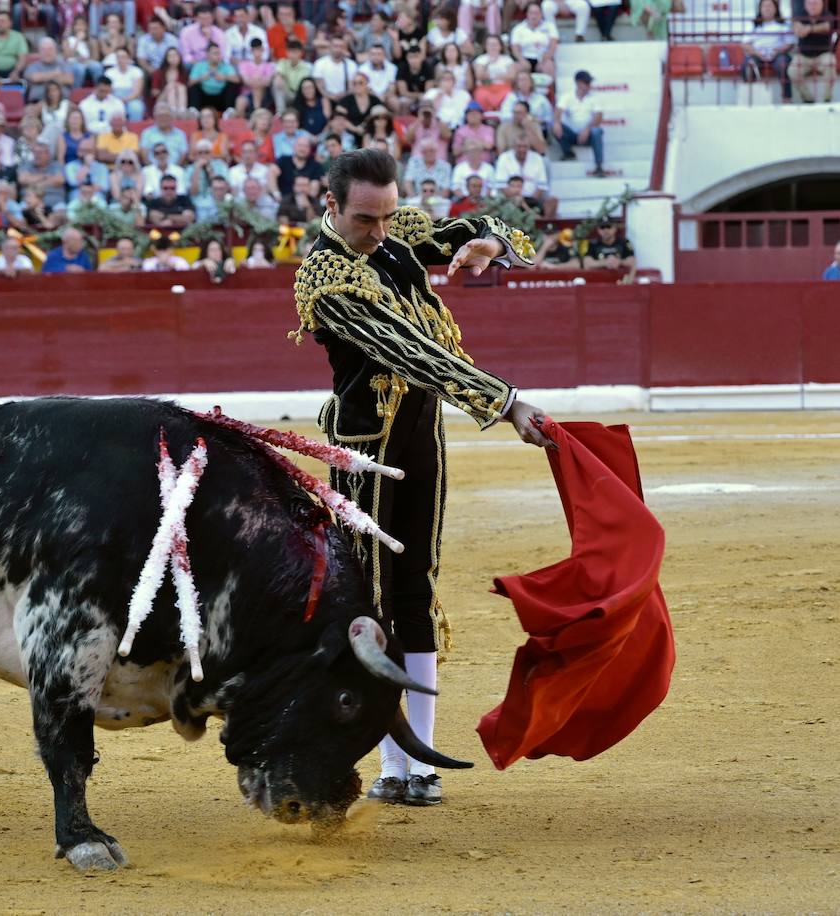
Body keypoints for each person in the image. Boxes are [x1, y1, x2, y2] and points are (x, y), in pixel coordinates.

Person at [290, 148, 549, 808]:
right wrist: (506, 400)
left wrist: (489, 243)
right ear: (331, 208)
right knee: (368, 594)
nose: (380, 230)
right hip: (365, 447)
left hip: (419, 429)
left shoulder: (392, 230)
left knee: (415, 587)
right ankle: (381, 759)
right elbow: (411, 347)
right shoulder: (323, 274)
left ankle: (416, 768)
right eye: (365, 220)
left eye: (385, 215)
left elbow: (468, 225)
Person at [554, 70, 606, 176]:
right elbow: (558, 111)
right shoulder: (567, 96)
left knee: (596, 131)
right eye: (586, 83)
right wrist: (557, 123)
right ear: (578, 83)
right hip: (571, 133)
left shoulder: (594, 98)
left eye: (589, 83)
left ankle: (599, 165)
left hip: (587, 134)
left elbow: (598, 117)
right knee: (554, 126)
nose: (588, 86)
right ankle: (568, 152)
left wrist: (587, 130)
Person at [743, 0, 795, 102]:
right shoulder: (753, 25)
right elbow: (745, 44)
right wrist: (757, 53)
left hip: (778, 54)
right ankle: (751, 98)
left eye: (770, 6)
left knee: (783, 64)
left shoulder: (783, 24)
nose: (767, 8)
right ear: (760, 8)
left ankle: (786, 98)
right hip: (757, 54)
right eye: (764, 6)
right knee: (748, 66)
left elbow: (790, 43)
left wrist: (779, 50)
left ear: (776, 8)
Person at [789, 0, 836, 103]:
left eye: (815, 3)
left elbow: (827, 26)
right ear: (805, 4)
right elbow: (798, 31)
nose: (812, 6)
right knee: (792, 71)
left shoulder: (827, 14)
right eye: (810, 3)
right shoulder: (799, 14)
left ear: (822, 4)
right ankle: (808, 100)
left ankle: (826, 99)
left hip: (823, 55)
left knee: (831, 64)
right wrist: (816, 28)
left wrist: (809, 29)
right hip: (804, 56)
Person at [509, 3, 559, 76]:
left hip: (543, 58)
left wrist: (544, 60)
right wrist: (522, 61)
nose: (534, 16)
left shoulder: (550, 27)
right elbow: (515, 49)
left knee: (549, 66)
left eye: (536, 13)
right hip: (525, 58)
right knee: (513, 68)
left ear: (541, 14)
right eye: (531, 13)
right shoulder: (518, 29)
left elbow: (553, 47)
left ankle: (549, 87)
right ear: (527, 14)